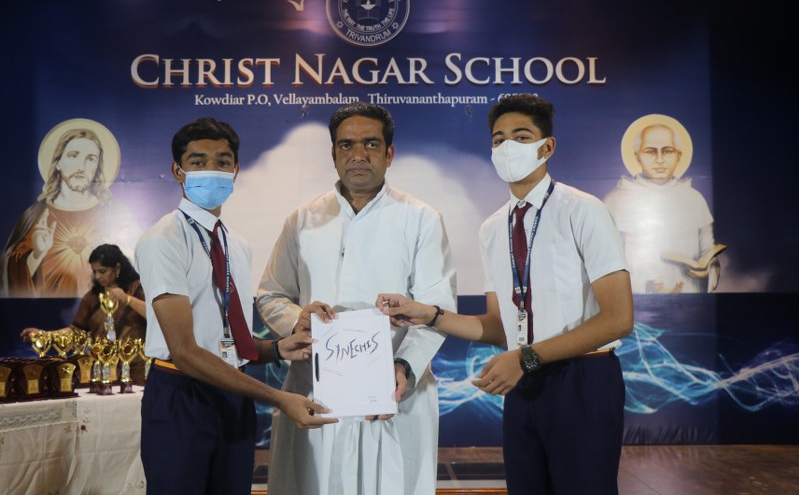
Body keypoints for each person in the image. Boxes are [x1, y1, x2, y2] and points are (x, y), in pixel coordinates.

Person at [378, 94, 633, 495]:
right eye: (499, 140)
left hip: (582, 378)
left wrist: (526, 357)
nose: (507, 147)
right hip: (523, 380)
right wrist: (428, 314)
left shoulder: (583, 210)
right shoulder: (493, 228)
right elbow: (500, 327)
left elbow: (618, 319)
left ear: (547, 147)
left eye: (521, 136)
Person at [257, 102, 456, 495]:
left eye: (371, 144)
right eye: (346, 145)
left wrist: (403, 367)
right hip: (315, 389)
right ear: (333, 154)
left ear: (389, 153)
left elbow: (439, 310)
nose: (359, 154)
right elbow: (271, 294)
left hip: (393, 392)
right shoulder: (302, 220)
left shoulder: (421, 218)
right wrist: (297, 319)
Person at [134, 117, 336, 495]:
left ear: (236, 170)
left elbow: (229, 341)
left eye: (222, 162)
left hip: (233, 395)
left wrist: (278, 348)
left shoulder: (236, 245)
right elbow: (185, 351)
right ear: (178, 171)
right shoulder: (164, 240)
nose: (212, 170)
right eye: (198, 162)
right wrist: (278, 398)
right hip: (182, 395)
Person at [1, 121, 139, 298]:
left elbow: (135, 269)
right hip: (47, 309)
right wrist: (37, 254)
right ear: (58, 162)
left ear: (97, 167)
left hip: (106, 308)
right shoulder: (36, 216)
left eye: (91, 159)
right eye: (73, 156)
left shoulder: (115, 212)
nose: (81, 166)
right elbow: (11, 273)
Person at [603, 119, 721, 293]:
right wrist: (647, 287)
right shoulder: (615, 200)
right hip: (636, 300)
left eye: (667, 151)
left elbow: (709, 254)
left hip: (689, 297)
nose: (660, 160)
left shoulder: (694, 199)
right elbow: (605, 264)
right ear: (637, 155)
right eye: (650, 151)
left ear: (679, 155)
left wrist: (707, 270)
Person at [20, 243, 148, 383]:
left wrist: (127, 299)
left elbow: (154, 316)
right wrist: (44, 335)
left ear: (117, 268)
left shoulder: (138, 290)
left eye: (102, 271)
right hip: (101, 371)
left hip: (136, 371)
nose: (97, 276)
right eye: (94, 271)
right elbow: (76, 332)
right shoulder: (92, 297)